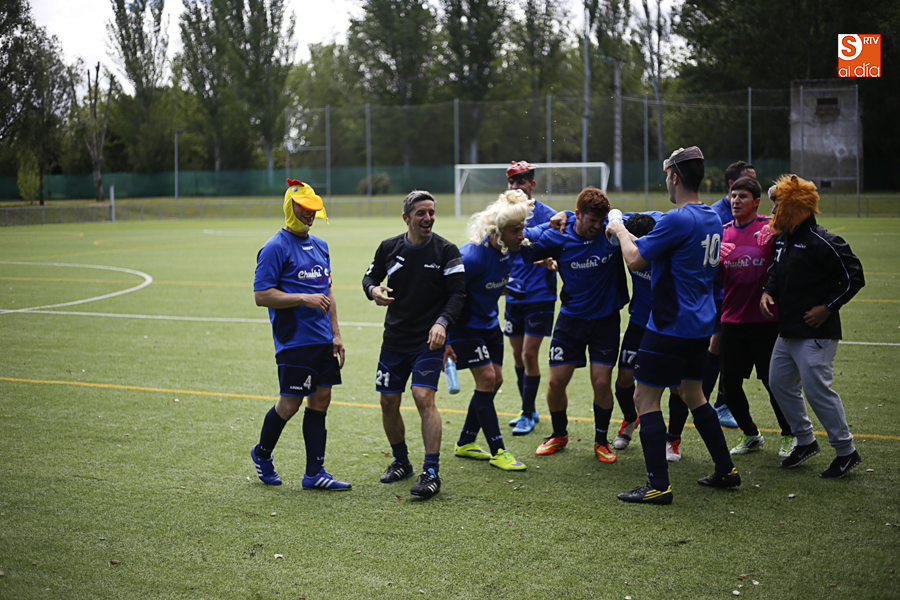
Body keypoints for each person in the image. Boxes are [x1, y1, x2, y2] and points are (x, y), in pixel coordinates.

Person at [608, 146, 740, 505]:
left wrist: (619, 229)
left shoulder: (677, 219)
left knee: (644, 398)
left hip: (669, 325)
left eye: (667, 175)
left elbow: (635, 259)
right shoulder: (711, 216)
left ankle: (658, 485)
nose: (666, 181)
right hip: (700, 324)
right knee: (694, 394)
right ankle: (725, 469)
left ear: (675, 177)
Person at [362, 190, 466, 498]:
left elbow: (458, 294)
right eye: (421, 213)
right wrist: (374, 291)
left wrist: (442, 322)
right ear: (406, 218)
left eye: (431, 212)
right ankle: (401, 461)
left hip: (428, 342)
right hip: (394, 340)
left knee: (423, 397)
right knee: (388, 402)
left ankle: (431, 472)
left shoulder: (447, 251)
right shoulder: (389, 248)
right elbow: (369, 278)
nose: (428, 218)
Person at [760, 174, 865, 479]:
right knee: (779, 383)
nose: (773, 210)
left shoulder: (824, 241)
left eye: (778, 203)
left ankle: (846, 451)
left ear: (793, 206)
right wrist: (768, 292)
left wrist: (827, 307)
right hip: (787, 330)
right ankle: (805, 441)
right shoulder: (783, 239)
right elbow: (776, 272)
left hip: (816, 332)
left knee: (817, 390)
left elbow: (854, 277)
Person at [250, 179, 351, 490]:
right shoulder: (274, 247)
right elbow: (262, 295)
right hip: (294, 340)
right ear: (289, 207)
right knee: (290, 405)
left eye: (312, 209)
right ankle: (262, 454)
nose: (309, 214)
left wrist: (336, 334)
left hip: (323, 340)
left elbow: (328, 292)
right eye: (303, 208)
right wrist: (303, 298)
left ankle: (314, 473)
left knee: (321, 400)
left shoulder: (321, 246)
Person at [520, 187, 629, 464]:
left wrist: (611, 221)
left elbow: (646, 220)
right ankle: (559, 434)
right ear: (578, 215)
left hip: (605, 321)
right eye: (592, 220)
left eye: (601, 220)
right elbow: (522, 241)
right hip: (570, 321)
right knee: (556, 382)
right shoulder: (558, 236)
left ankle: (601, 441)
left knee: (601, 382)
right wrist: (556, 220)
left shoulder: (612, 231)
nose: (597, 226)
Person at [447, 190, 533, 471]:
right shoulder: (470, 257)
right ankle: (498, 451)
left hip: (489, 325)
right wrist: (445, 338)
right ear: (498, 232)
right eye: (516, 231)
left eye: (522, 229)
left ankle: (465, 442)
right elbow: (447, 295)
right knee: (487, 380)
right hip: (464, 328)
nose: (521, 236)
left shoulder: (509, 250)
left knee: (495, 381)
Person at [718, 177, 795, 459]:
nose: (736, 201)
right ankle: (751, 433)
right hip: (732, 320)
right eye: (733, 196)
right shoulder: (722, 233)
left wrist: (777, 231)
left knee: (774, 384)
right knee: (729, 386)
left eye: (743, 196)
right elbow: (710, 278)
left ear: (756, 202)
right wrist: (714, 259)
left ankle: (790, 434)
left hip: (766, 321)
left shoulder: (772, 226)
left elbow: (795, 242)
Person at [503, 161, 558, 436]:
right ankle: (530, 408)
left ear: (532, 184)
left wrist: (552, 261)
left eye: (522, 181)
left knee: (528, 353)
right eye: (513, 182)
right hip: (513, 294)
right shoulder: (503, 215)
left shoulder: (549, 215)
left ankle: (526, 413)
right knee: (517, 355)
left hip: (540, 294)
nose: (516, 186)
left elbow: (562, 245)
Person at [706, 161, 758, 429]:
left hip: (743, 297)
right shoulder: (717, 215)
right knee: (719, 346)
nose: (754, 183)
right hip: (721, 295)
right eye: (748, 179)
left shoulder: (754, 214)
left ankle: (714, 402)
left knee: (723, 348)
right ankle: (714, 403)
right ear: (731, 185)